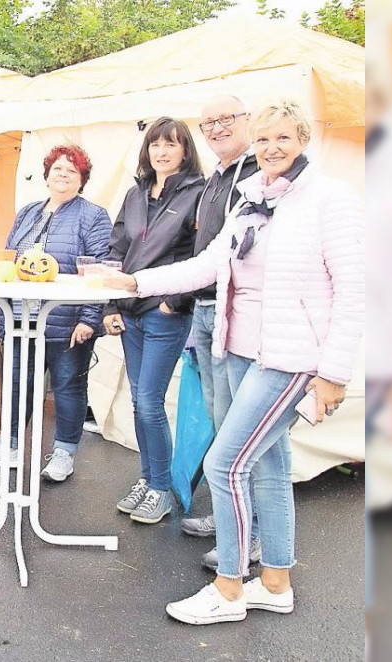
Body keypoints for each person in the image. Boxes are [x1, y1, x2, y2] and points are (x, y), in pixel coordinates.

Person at [100, 100, 363, 625]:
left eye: (282, 138)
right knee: (269, 463)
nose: (272, 149)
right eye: (264, 140)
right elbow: (207, 263)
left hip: (290, 358)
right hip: (239, 347)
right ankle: (275, 583)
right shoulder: (251, 198)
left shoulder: (330, 199)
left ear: (303, 139)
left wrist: (333, 373)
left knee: (225, 463)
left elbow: (354, 292)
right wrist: (137, 283)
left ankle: (229, 589)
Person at [0, 144, 111, 482]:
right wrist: (2, 314)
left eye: (72, 171)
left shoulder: (93, 216)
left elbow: (99, 270)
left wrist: (90, 318)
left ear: (82, 180)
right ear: (46, 175)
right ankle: (10, 446)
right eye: (58, 169)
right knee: (17, 385)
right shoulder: (29, 211)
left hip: (67, 322)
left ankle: (64, 454)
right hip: (22, 320)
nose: (63, 174)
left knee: (68, 388)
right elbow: (8, 261)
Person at [102, 117, 205, 524]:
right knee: (138, 401)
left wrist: (174, 302)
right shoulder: (136, 193)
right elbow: (116, 249)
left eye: (171, 145)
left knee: (149, 402)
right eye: (155, 145)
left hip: (164, 314)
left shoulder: (199, 193)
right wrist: (110, 307)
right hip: (130, 313)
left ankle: (162, 488)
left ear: (185, 150)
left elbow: (203, 256)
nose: (162, 151)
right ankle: (148, 479)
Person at [180, 96, 263, 568]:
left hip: (239, 314)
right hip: (205, 310)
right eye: (208, 122)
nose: (215, 129)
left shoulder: (258, 175)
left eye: (226, 119)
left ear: (247, 121)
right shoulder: (216, 178)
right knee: (219, 418)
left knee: (240, 428)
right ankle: (227, 515)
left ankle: (248, 537)